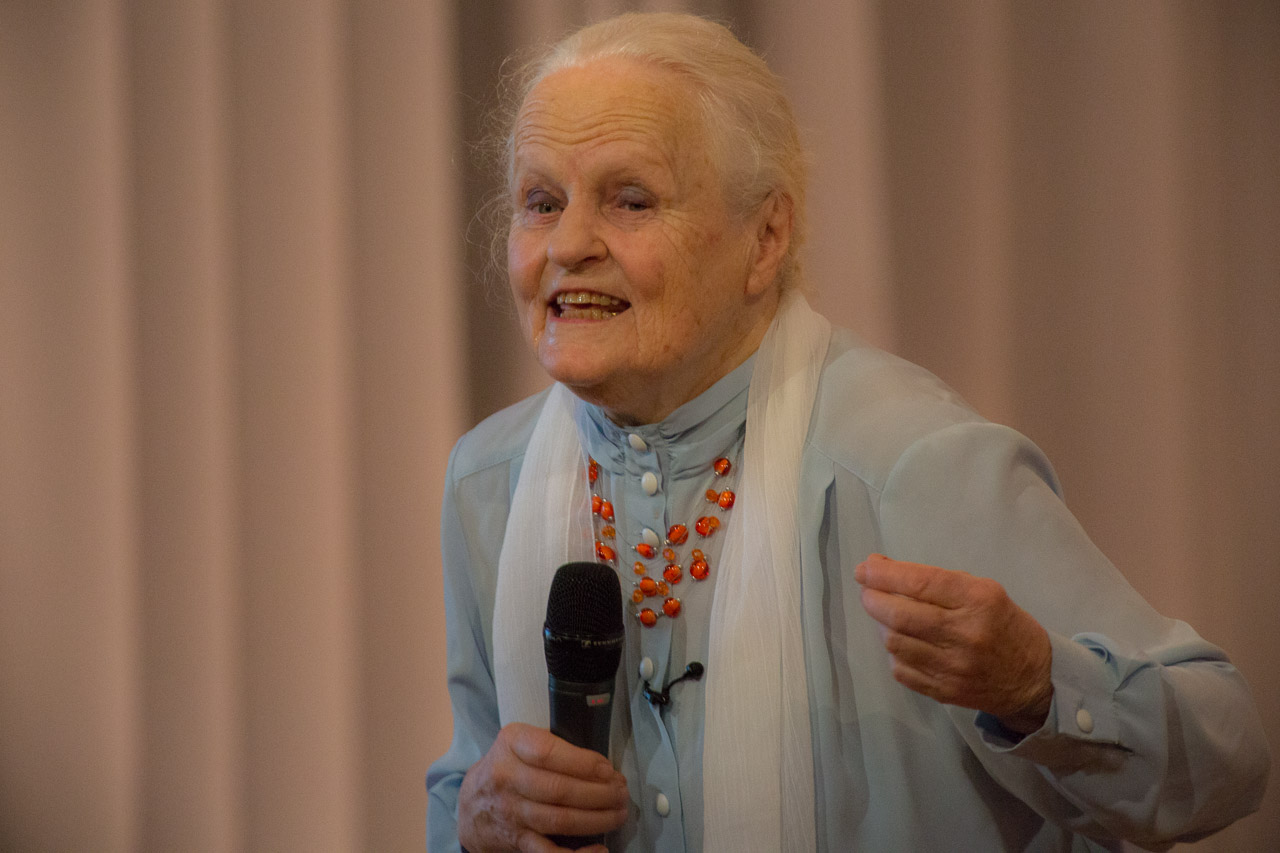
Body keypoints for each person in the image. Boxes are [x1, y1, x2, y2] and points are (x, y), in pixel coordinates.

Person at [427, 12, 1269, 852]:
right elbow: (464, 782)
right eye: (542, 202)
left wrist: (1037, 686)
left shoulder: (908, 462)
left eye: (631, 200)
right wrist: (474, 820)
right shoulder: (489, 482)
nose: (569, 244)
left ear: (766, 238)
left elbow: (1228, 753)